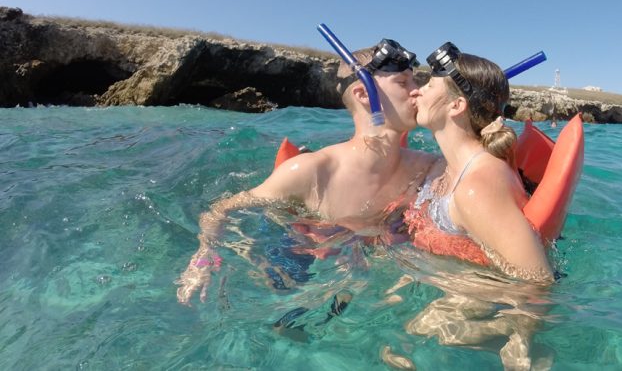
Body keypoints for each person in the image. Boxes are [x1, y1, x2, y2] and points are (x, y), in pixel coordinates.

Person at [176, 39, 437, 304]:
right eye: (404, 83)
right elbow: (221, 210)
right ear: (363, 95)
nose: (418, 91)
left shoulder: (429, 167)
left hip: (363, 255)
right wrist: (204, 259)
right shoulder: (310, 172)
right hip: (303, 248)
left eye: (415, 82)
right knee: (281, 292)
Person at [406, 42, 554, 282]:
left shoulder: (478, 188)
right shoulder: (446, 167)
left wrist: (457, 304)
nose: (416, 91)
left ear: (456, 106)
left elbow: (537, 285)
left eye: (429, 85)